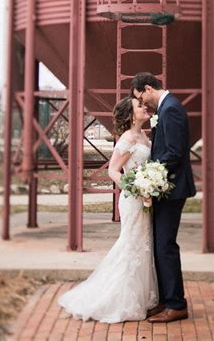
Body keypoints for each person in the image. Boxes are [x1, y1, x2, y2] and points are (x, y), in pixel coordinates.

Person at [57, 95, 158, 323]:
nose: (144, 107)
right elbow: (113, 170)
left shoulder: (143, 135)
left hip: (145, 197)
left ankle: (141, 297)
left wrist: (150, 186)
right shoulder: (127, 138)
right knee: (131, 245)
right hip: (133, 199)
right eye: (139, 106)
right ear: (131, 114)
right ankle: (118, 299)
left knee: (143, 245)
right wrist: (134, 188)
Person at [131, 72, 196, 324]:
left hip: (172, 187)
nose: (143, 104)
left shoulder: (171, 109)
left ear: (147, 88)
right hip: (164, 186)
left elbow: (175, 153)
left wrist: (150, 175)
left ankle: (176, 304)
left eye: (141, 98)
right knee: (159, 244)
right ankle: (165, 299)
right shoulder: (166, 108)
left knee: (166, 245)